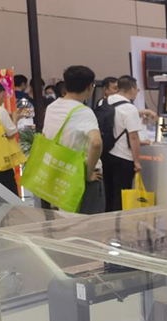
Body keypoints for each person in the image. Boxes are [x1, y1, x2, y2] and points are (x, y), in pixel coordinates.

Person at [42, 66, 105, 214]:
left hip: (59, 172)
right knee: (88, 222)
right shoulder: (83, 112)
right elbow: (96, 143)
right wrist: (88, 174)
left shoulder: (52, 107)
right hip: (79, 175)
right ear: (89, 87)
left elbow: (45, 137)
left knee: (64, 219)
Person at [101, 76, 148, 211]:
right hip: (123, 157)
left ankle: (108, 219)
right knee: (121, 195)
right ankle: (118, 222)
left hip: (106, 154)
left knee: (109, 193)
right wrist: (137, 161)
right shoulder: (129, 108)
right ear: (132, 89)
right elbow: (133, 137)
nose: (136, 92)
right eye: (137, 89)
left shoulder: (106, 102)